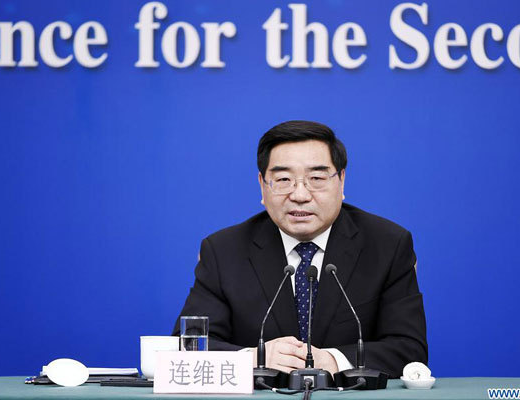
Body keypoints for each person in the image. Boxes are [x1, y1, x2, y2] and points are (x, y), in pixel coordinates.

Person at [173, 120, 427, 378]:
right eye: (283, 179)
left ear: (341, 181)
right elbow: (188, 347)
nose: (300, 194)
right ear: (263, 185)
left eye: (316, 178)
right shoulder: (223, 251)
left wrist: (333, 360)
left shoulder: (387, 244)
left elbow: (409, 350)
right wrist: (254, 357)